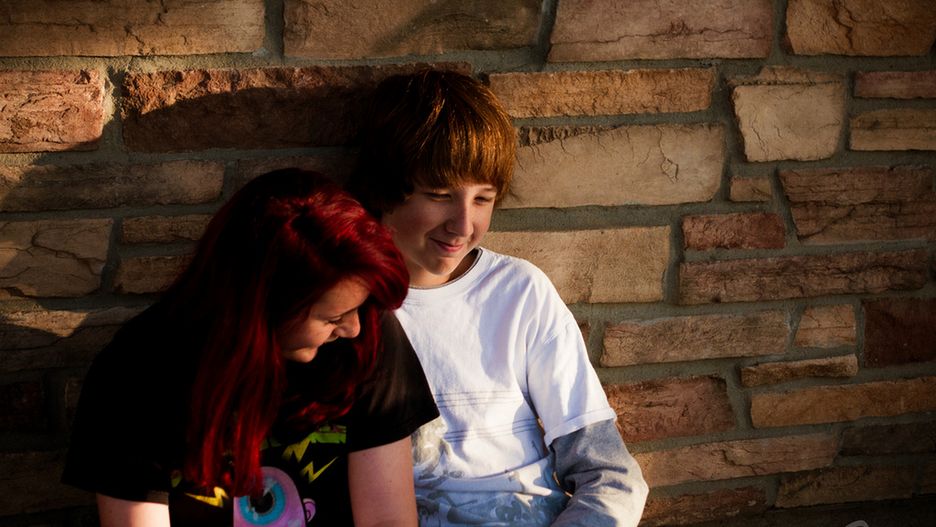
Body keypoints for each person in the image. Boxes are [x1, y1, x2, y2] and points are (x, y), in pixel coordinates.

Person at [349, 70, 649, 526]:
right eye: (439, 195)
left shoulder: (520, 292)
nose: (462, 225)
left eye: (483, 199)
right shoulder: (344, 313)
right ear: (384, 190)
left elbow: (610, 475)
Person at [62, 168, 439, 527]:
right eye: (332, 318)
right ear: (264, 309)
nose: (353, 328)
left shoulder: (366, 337)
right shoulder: (136, 372)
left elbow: (386, 519)